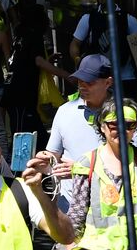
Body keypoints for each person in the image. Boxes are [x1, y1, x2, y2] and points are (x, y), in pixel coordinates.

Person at [66, 99, 137, 250]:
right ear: (102, 126)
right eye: (114, 125)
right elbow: (75, 220)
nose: (122, 131)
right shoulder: (87, 163)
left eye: (129, 125)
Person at [40, 54, 114, 213]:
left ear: (108, 82)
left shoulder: (123, 114)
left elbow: (130, 164)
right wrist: (44, 160)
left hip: (110, 207)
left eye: (89, 82)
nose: (82, 86)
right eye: (80, 81)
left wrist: (81, 169)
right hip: (70, 207)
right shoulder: (64, 110)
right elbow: (53, 154)